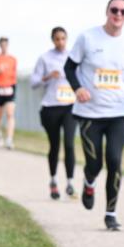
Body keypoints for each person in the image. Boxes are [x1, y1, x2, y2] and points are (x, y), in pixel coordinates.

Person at [65, 0, 124, 231]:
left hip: (118, 113)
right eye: (114, 10)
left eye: (123, 11)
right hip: (90, 112)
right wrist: (78, 88)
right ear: (107, 12)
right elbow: (69, 67)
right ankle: (89, 181)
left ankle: (111, 213)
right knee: (95, 163)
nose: (118, 15)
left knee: (114, 161)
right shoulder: (88, 38)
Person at [32, 27, 77, 200]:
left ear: (67, 39)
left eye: (63, 38)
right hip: (51, 107)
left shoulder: (73, 57)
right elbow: (34, 83)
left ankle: (70, 183)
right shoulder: (45, 58)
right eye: (57, 39)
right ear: (53, 40)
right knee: (55, 145)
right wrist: (48, 76)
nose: (60, 42)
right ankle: (53, 180)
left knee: (69, 144)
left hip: (70, 106)